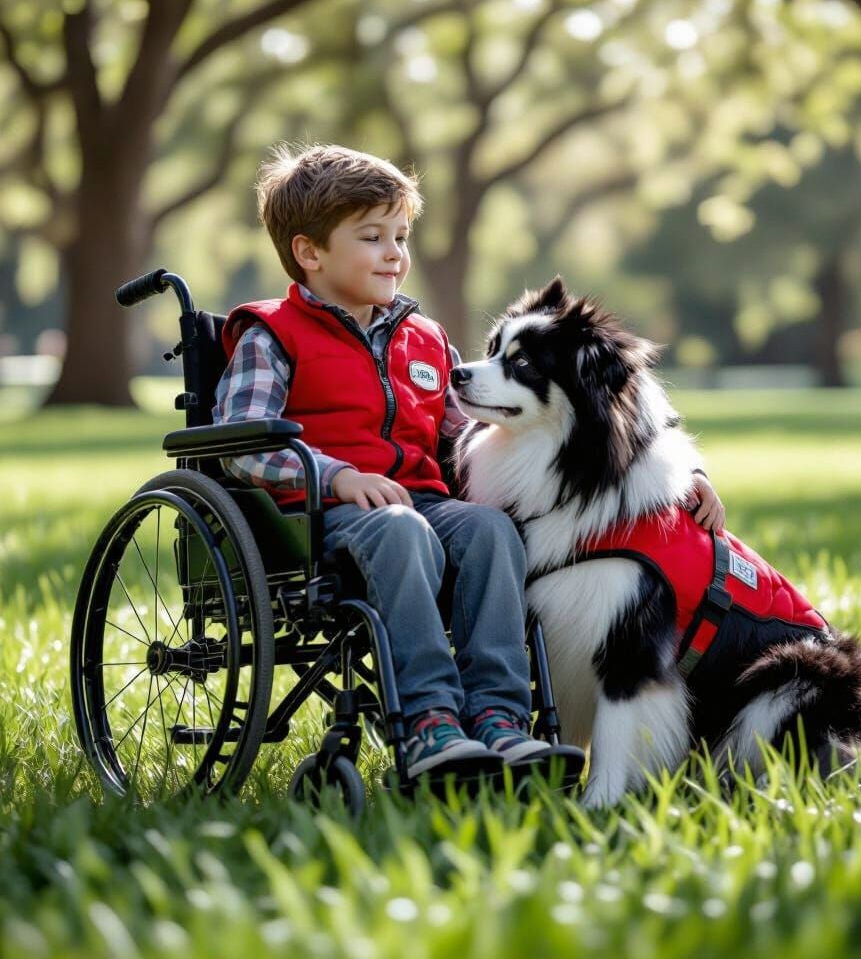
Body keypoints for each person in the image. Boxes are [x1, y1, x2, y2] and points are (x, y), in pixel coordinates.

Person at [213, 142, 724, 784]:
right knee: (403, 530)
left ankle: (500, 722)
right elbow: (240, 440)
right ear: (310, 253)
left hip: (424, 507)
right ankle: (431, 723)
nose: (396, 253)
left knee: (486, 529)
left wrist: (680, 475)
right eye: (373, 237)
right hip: (320, 518)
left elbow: (487, 433)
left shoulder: (422, 340)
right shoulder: (273, 335)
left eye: (401, 235)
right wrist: (337, 475)